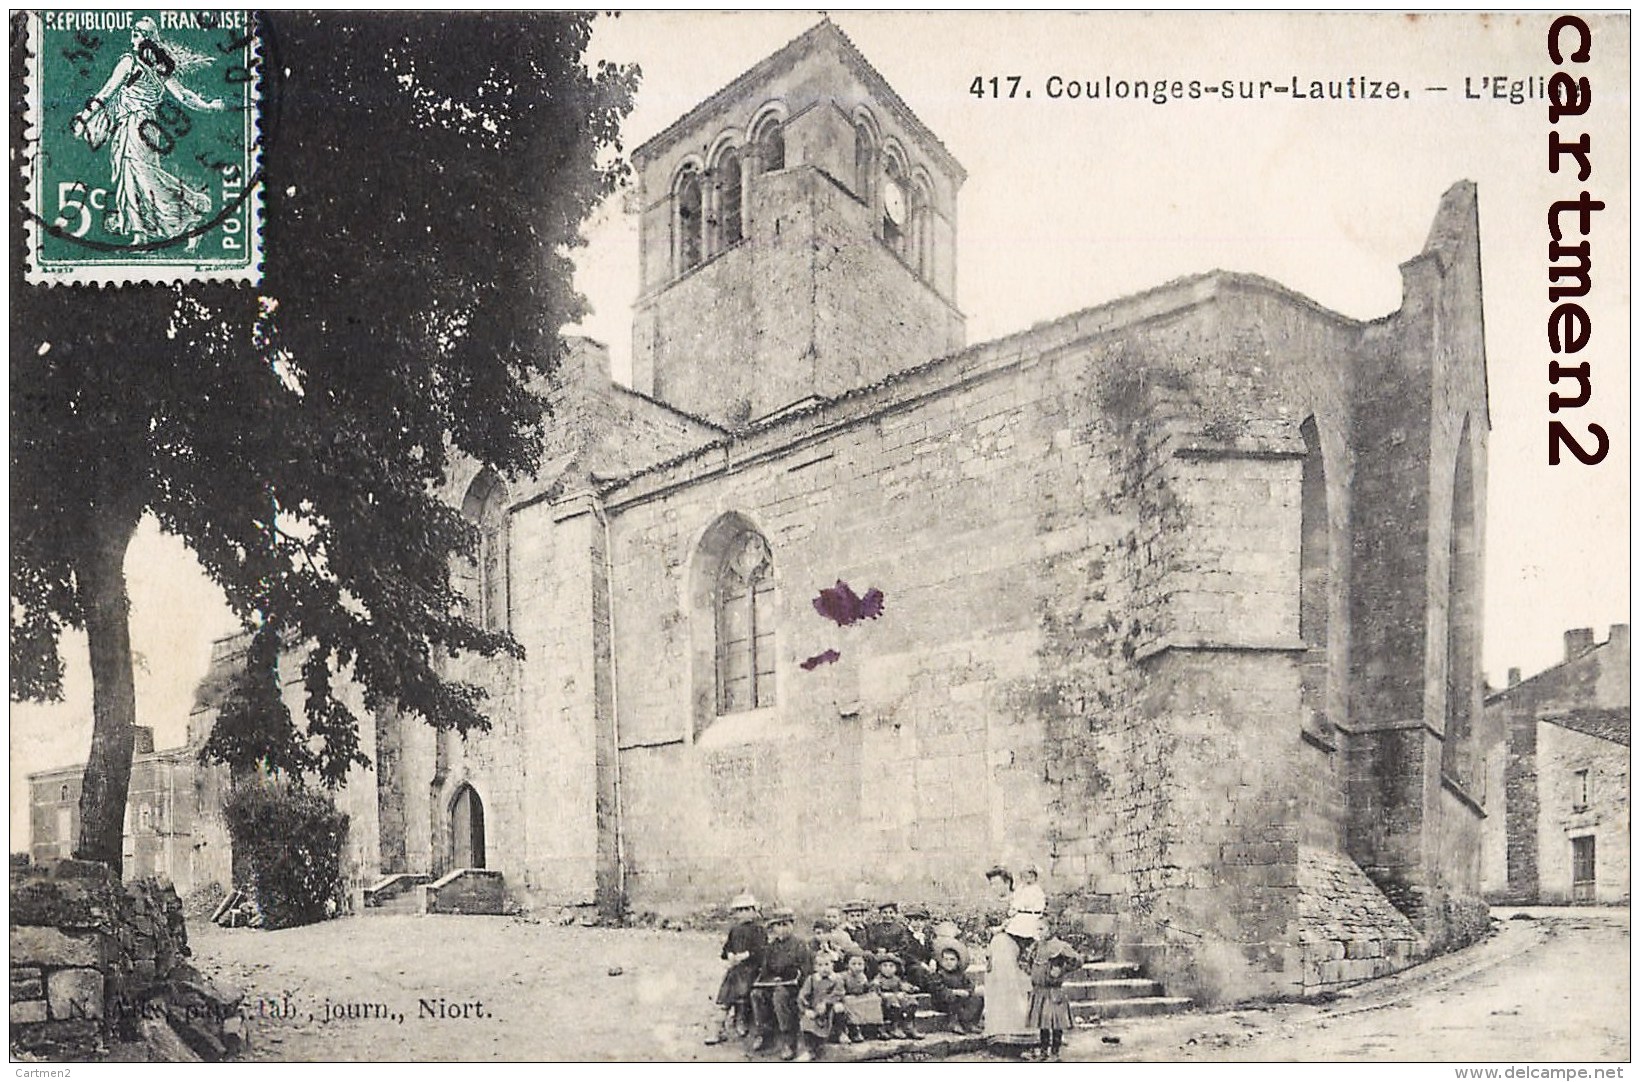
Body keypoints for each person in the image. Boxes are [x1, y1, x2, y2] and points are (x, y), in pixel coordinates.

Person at [71, 17, 227, 248]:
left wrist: (83, 118)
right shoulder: (151, 68)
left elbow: (106, 94)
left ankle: (187, 221)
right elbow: (108, 93)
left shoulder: (137, 64)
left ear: (150, 39)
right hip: (142, 127)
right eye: (135, 31)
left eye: (140, 32)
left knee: (145, 177)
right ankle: (140, 232)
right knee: (132, 177)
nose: (134, 34)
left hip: (138, 126)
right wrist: (209, 105)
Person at [750, 908, 812, 1060]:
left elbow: (806, 971)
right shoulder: (771, 947)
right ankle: (764, 1033)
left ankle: (788, 1040)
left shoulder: (800, 945)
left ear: (792, 925)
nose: (782, 929)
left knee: (780, 996)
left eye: (786, 925)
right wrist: (770, 980)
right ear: (773, 928)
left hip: (793, 987)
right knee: (756, 994)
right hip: (774, 983)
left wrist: (791, 980)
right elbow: (765, 970)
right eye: (778, 925)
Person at [983, 866, 1034, 1045]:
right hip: (997, 949)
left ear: (1007, 883)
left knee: (1015, 985)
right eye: (992, 884)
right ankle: (999, 1032)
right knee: (999, 984)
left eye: (997, 883)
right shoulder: (988, 905)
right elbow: (984, 930)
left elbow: (1030, 923)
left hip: (1018, 948)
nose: (995, 888)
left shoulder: (1019, 900)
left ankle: (1020, 1032)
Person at [706, 893, 765, 1045]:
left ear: (754, 911)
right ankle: (718, 1028)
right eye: (740, 910)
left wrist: (746, 955)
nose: (744, 913)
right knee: (728, 986)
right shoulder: (735, 930)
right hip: (737, 968)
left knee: (742, 986)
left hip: (752, 968)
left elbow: (762, 951)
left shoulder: (759, 930)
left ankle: (741, 1019)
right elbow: (726, 949)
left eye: (747, 909)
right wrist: (731, 954)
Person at [1024, 937, 1082, 1062]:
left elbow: (1077, 960)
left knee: (1056, 1023)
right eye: (1039, 929)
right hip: (1039, 992)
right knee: (1043, 1023)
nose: (1040, 932)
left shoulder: (1060, 946)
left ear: (1051, 929)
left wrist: (1062, 970)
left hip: (1054, 992)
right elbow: (1028, 962)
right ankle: (1044, 1052)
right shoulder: (1036, 946)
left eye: (1043, 928)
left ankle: (1055, 1052)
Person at [796, 945, 847, 1061]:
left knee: (839, 1008)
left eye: (827, 964)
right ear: (815, 967)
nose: (824, 968)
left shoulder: (837, 979)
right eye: (820, 965)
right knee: (806, 1021)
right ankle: (810, 1050)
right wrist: (806, 1009)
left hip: (830, 1009)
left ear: (832, 965)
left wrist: (826, 1002)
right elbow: (802, 995)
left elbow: (839, 993)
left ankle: (840, 1033)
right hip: (816, 1010)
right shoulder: (812, 979)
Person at [870, 900, 935, 990]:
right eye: (915, 920)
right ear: (909, 921)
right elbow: (906, 953)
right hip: (909, 964)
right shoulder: (905, 934)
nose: (918, 923)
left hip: (924, 964)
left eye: (921, 921)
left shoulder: (925, 936)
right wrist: (921, 963)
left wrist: (932, 960)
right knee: (918, 971)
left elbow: (931, 950)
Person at [927, 938, 984, 1035]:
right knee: (954, 998)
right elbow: (938, 989)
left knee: (978, 998)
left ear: (957, 962)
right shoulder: (939, 974)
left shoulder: (961, 974)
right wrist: (953, 992)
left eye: (952, 960)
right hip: (943, 1001)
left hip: (960, 1000)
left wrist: (967, 992)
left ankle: (971, 1022)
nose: (949, 962)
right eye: (946, 959)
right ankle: (954, 1023)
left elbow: (970, 985)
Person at [871, 954, 922, 1040]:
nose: (888, 968)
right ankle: (895, 1027)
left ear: (895, 968)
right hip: (886, 1004)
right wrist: (884, 994)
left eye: (891, 966)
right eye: (885, 966)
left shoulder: (896, 979)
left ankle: (908, 1025)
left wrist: (911, 988)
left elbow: (903, 986)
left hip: (897, 999)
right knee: (893, 1002)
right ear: (880, 968)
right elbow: (875, 992)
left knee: (912, 1002)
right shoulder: (878, 980)